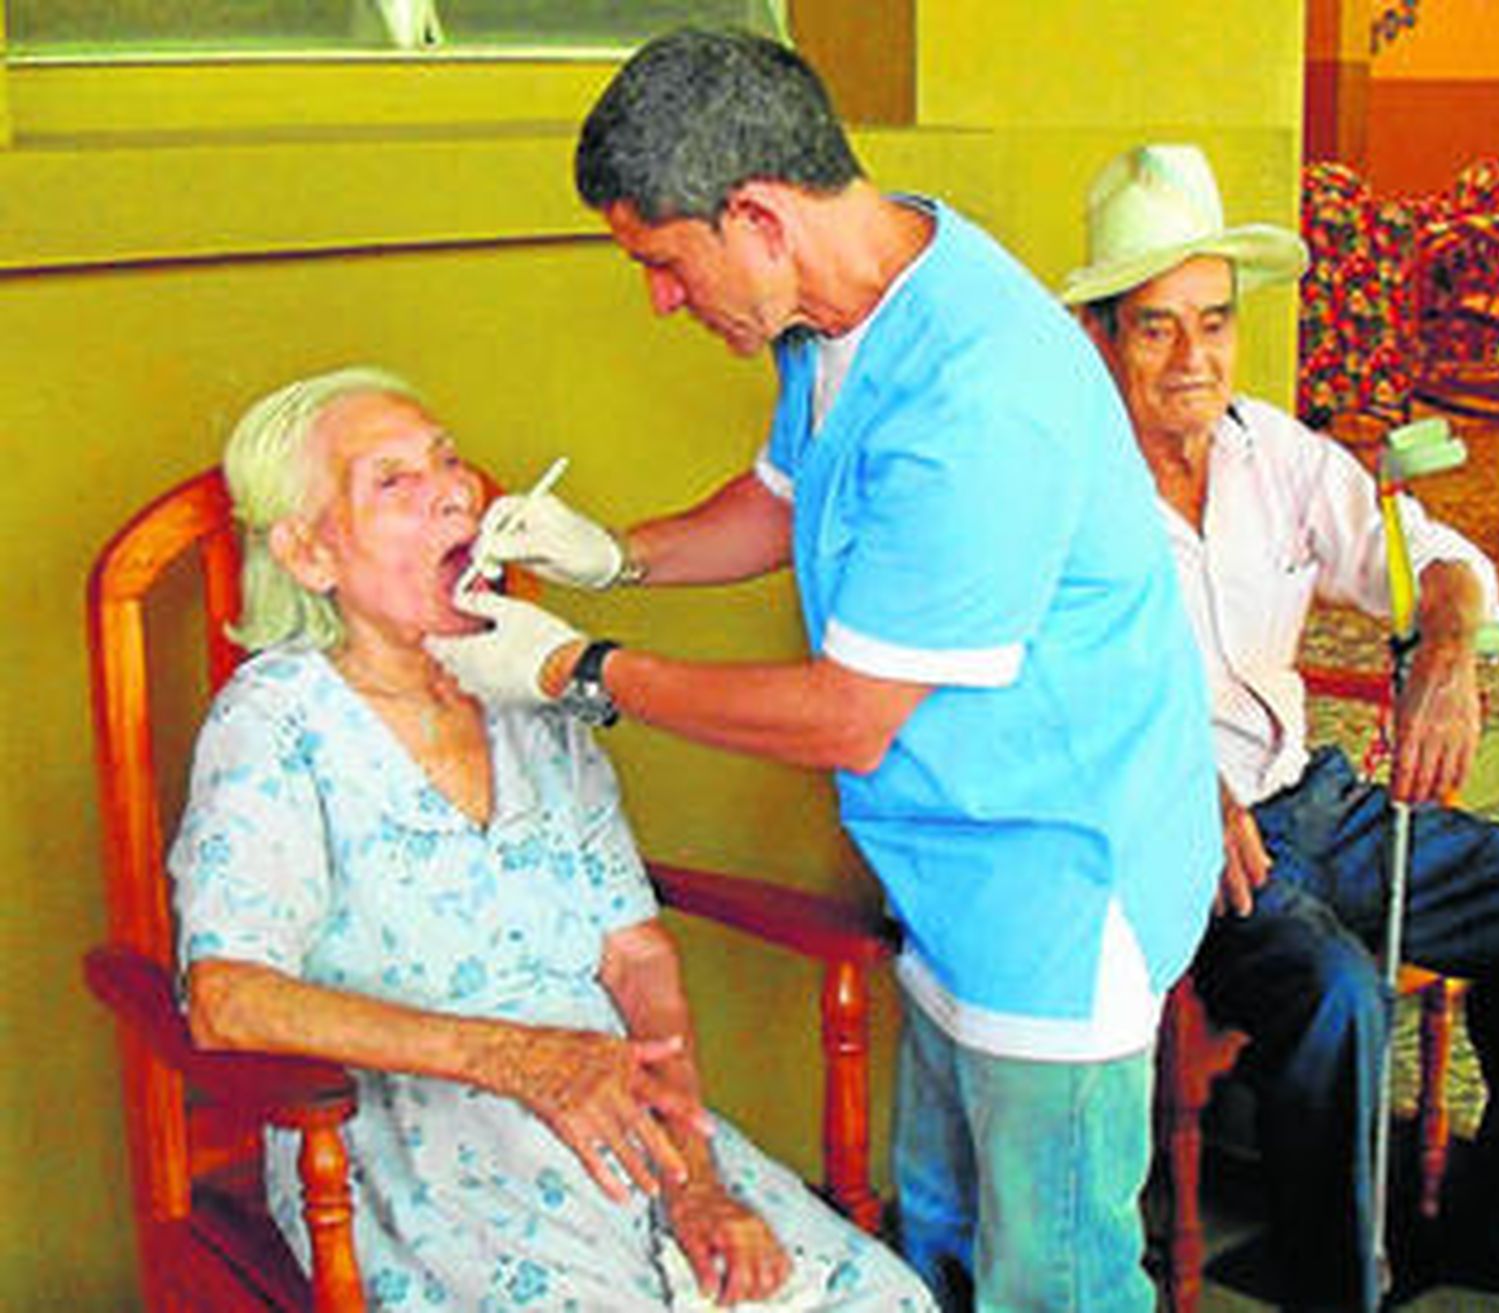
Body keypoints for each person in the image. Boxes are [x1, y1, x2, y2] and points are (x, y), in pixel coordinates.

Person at [425, 29, 1222, 1313]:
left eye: (662, 263)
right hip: (951, 870)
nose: (662, 302)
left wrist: (580, 667)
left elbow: (849, 716)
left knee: (1056, 1278)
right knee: (944, 1233)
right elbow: (782, 496)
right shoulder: (846, 304)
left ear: (756, 216)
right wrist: (610, 554)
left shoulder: (978, 395)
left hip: (1061, 881)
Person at [169, 366, 936, 1312]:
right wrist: (513, 1056)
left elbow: (635, 951)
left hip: (626, 1113)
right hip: (412, 1142)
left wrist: (697, 1180)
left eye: (446, 460)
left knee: (879, 1299)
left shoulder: (525, 684)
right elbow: (228, 997)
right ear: (308, 552)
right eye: (394, 481)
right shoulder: (278, 721)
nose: (454, 487)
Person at [1063, 143, 1499, 1312]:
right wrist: (1168, 790)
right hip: (1182, 844)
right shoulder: (1067, 487)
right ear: (1104, 337)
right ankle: (1332, 1285)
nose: (1192, 358)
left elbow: (1431, 559)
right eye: (1156, 328)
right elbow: (1032, 697)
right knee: (1336, 991)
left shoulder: (1275, 453)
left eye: (1213, 322)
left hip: (1323, 804)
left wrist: (1447, 651)